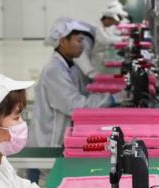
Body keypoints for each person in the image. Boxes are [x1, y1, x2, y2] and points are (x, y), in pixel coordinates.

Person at [29, 17, 126, 148]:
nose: (83, 45)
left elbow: (85, 94)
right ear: (63, 41)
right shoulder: (54, 70)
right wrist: (111, 98)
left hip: (63, 132)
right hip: (49, 141)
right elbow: (75, 105)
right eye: (79, 41)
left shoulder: (71, 66)